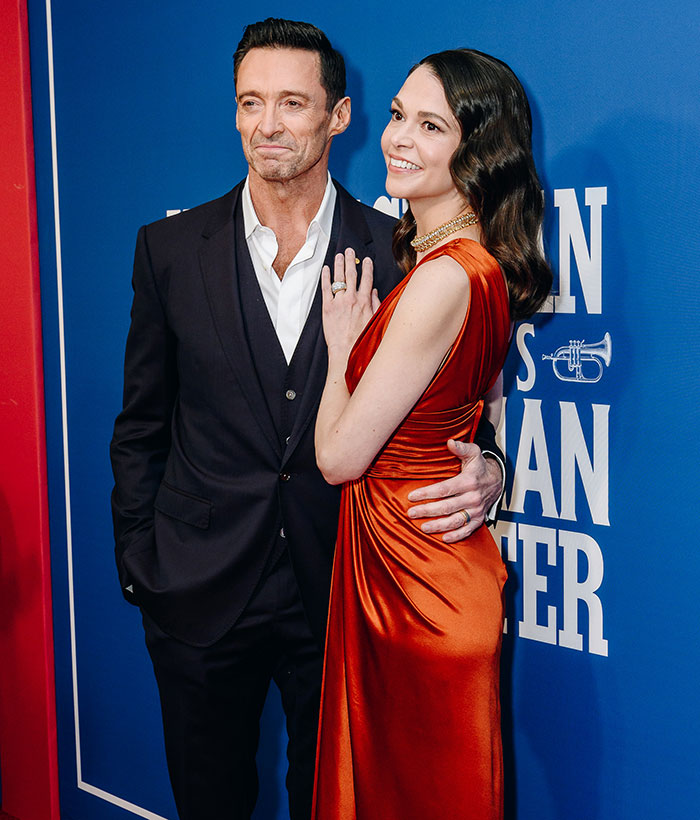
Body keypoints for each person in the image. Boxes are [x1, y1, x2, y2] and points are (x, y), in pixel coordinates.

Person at [110, 20, 506, 820]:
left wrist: (490, 467)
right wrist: (142, 568)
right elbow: (141, 426)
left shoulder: (401, 254)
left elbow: (449, 401)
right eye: (250, 102)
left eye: (293, 103)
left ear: (339, 115)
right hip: (196, 594)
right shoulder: (169, 250)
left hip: (343, 596)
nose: (268, 124)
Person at [312, 49, 552, 819]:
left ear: (475, 151)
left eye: (430, 125)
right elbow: (468, 409)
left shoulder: (445, 276)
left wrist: (342, 350)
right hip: (427, 573)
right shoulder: (476, 268)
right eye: (395, 115)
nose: (397, 138)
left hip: (411, 592)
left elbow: (338, 457)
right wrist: (487, 462)